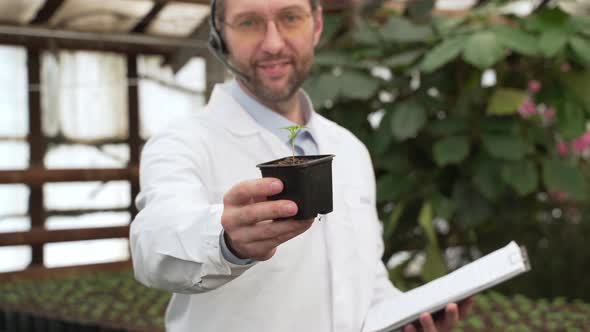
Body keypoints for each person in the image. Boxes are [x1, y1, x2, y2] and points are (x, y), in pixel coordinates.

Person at [130, 0, 473, 331]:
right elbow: (152, 244)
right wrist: (226, 241)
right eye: (248, 22)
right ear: (220, 35)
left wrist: (405, 317)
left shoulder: (349, 149)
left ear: (317, 24)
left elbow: (364, 282)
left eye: (290, 17)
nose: (273, 44)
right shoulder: (182, 142)